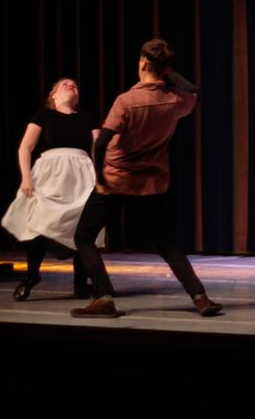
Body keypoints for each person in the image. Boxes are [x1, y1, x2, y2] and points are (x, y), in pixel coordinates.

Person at [70, 38, 222, 318]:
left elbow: (102, 142)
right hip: (150, 183)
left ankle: (103, 297)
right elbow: (195, 92)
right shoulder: (175, 100)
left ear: (141, 63)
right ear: (164, 68)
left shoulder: (127, 101)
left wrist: (100, 175)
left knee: (83, 237)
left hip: (116, 180)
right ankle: (200, 297)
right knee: (166, 243)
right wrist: (169, 73)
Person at [1, 78, 101, 301]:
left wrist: (101, 177)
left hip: (81, 176)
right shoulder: (44, 115)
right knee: (40, 225)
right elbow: (26, 147)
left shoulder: (88, 117)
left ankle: (80, 284)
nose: (71, 85)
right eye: (65, 84)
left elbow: (98, 149)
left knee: (82, 229)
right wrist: (26, 177)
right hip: (49, 176)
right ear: (53, 95)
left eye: (75, 85)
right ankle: (31, 276)